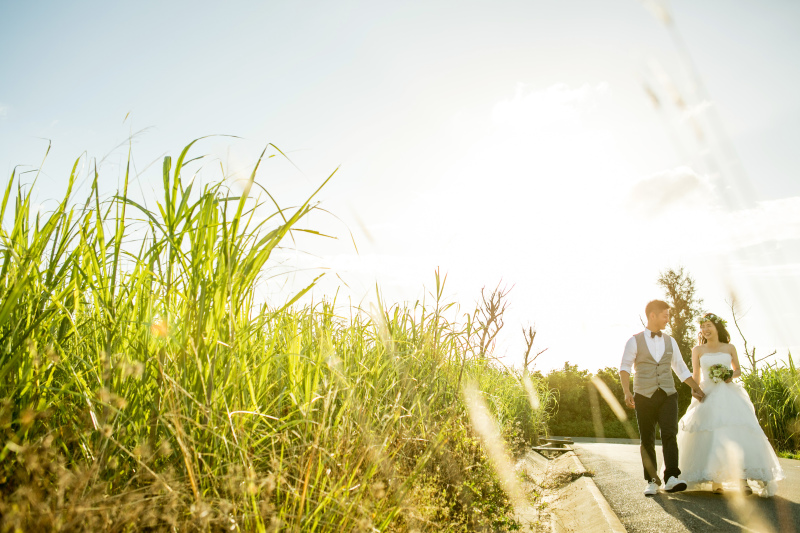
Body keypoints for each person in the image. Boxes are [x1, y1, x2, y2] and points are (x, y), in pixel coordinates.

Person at [676, 312, 784, 497]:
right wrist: (694, 390)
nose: (705, 329)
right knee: (711, 434)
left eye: (708, 325)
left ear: (717, 327)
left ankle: (742, 479)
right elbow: (696, 375)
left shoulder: (730, 347)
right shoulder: (698, 350)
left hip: (729, 393)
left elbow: (739, 370)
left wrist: (729, 375)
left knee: (736, 432)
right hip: (707, 393)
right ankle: (716, 480)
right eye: (702, 326)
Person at [619, 300, 706, 496]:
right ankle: (651, 480)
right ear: (653, 316)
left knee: (669, 434)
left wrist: (696, 388)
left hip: (668, 394)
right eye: (665, 315)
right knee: (647, 438)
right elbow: (624, 368)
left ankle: (671, 477)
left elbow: (681, 369)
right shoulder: (634, 341)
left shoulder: (671, 341)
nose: (668, 319)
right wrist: (626, 391)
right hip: (643, 395)